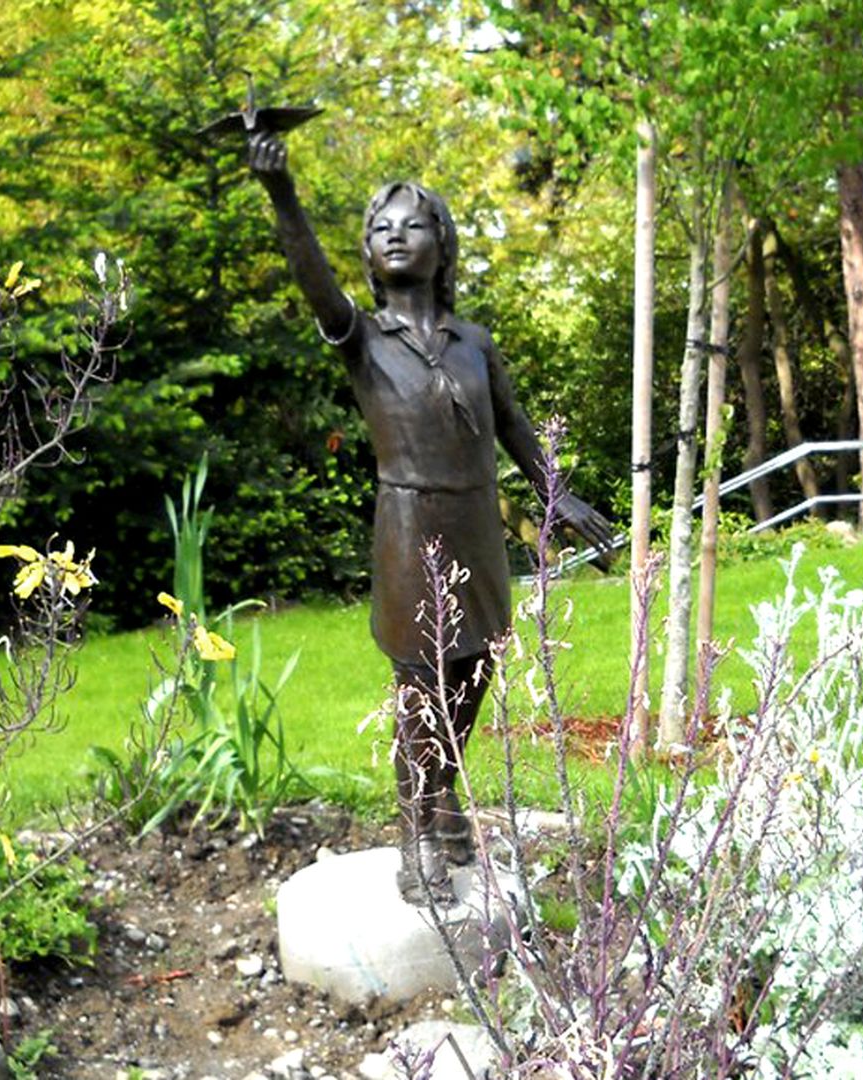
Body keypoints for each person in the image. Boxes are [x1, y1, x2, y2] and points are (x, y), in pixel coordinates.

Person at [247, 131, 615, 903]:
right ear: (369, 255)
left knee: (473, 672)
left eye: (411, 223)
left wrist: (561, 496)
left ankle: (444, 796)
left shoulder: (473, 342)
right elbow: (312, 278)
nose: (393, 234)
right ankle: (416, 829)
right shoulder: (361, 336)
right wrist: (283, 196)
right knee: (421, 688)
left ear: (441, 245)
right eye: (380, 227)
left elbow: (512, 425)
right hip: (409, 525)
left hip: (477, 525)